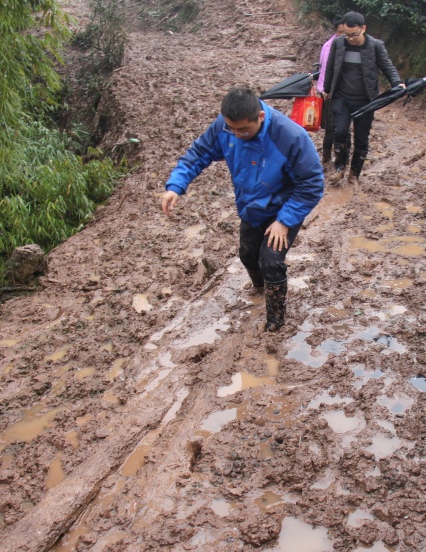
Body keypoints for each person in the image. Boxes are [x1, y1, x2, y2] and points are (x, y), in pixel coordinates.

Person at [161, 88, 324, 332]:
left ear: (260, 116)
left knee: (271, 261)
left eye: (244, 130)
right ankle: (260, 290)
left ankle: (275, 322)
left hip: (284, 206)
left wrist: (284, 221)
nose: (236, 135)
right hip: (251, 204)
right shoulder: (225, 126)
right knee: (247, 255)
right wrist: (176, 186)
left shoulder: (290, 136)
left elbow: (312, 184)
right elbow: (199, 153)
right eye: (232, 129)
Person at [322, 11, 405, 186]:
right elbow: (330, 66)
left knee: (361, 137)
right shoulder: (338, 43)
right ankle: (340, 168)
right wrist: (327, 89)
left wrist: (397, 83)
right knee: (340, 132)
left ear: (363, 28)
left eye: (354, 35)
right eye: (347, 35)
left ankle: (354, 174)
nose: (350, 38)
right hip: (342, 97)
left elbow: (387, 66)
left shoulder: (375, 46)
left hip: (365, 100)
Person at [315, 15, 345, 165]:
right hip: (330, 92)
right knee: (331, 127)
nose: (343, 35)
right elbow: (325, 69)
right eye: (340, 32)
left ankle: (339, 159)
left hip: (345, 93)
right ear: (336, 31)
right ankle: (327, 156)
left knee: (342, 127)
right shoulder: (329, 46)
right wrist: (326, 90)